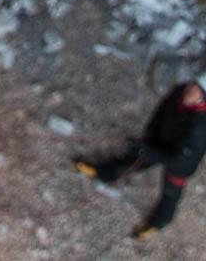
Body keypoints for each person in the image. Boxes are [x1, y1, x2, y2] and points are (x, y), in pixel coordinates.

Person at [74, 77, 206, 239]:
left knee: (170, 193)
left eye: (196, 89)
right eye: (193, 84)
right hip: (160, 139)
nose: (190, 88)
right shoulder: (181, 92)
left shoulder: (201, 127)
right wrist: (149, 134)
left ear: (202, 98)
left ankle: (159, 222)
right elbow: (162, 110)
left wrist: (151, 151)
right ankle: (105, 173)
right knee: (132, 159)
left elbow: (182, 159)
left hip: (179, 163)